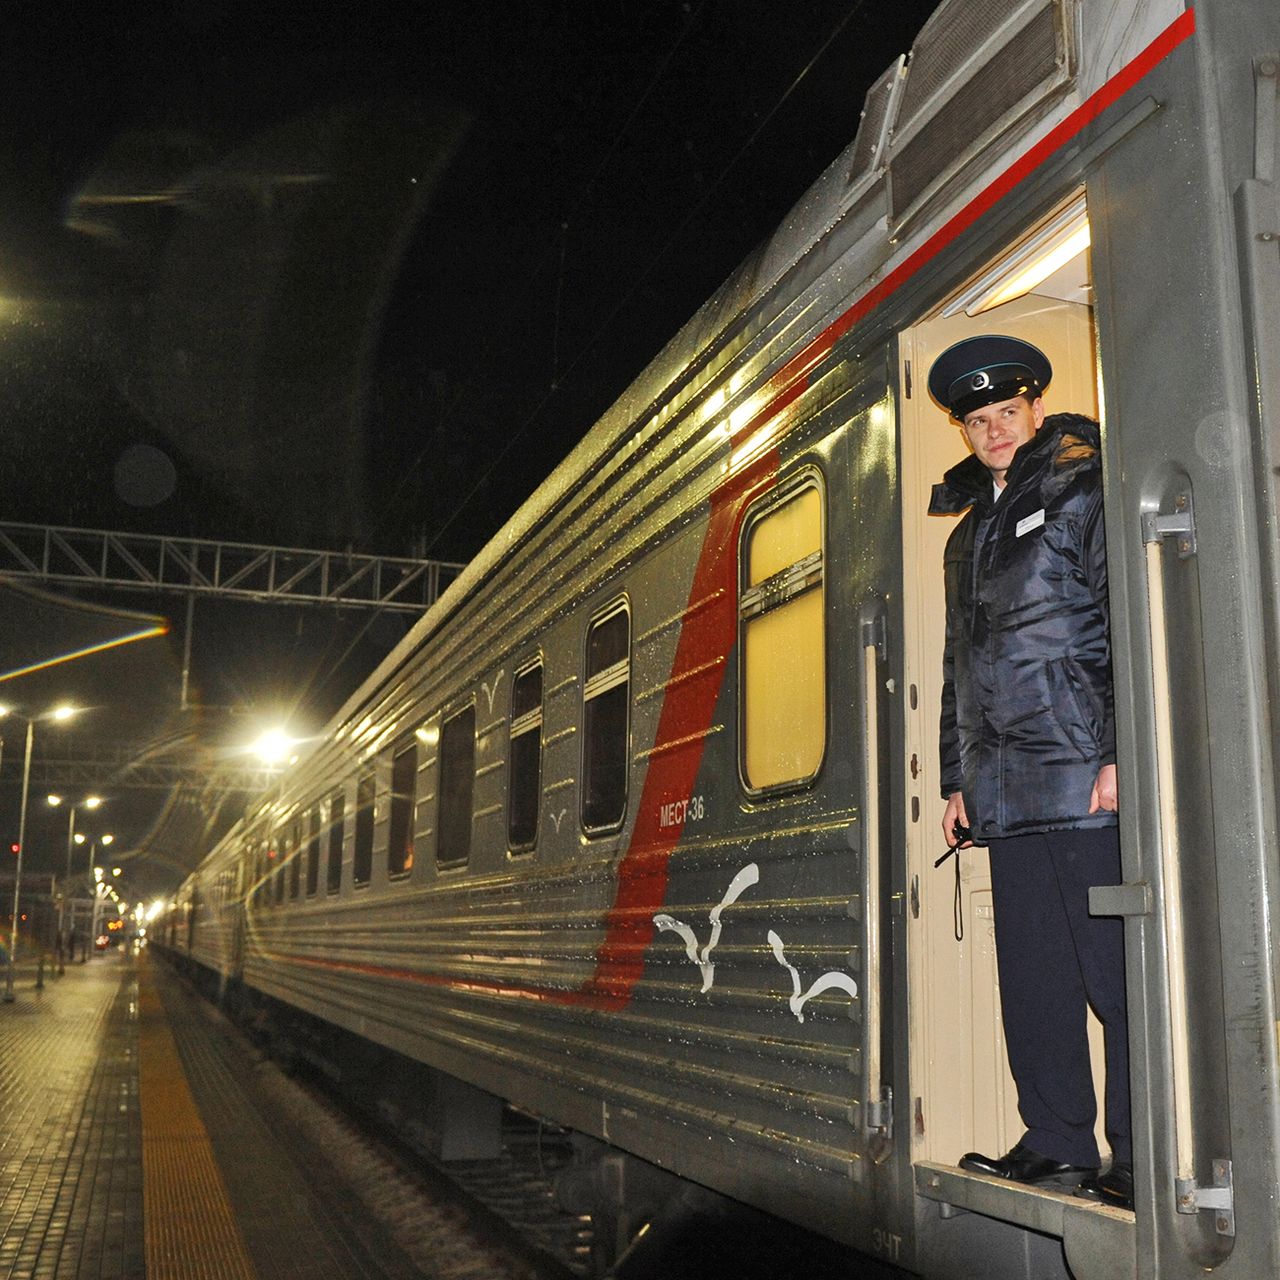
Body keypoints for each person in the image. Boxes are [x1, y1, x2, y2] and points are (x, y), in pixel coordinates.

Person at [927, 334, 1132, 1212]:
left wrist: (1126, 750)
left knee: (1118, 978)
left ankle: (1140, 1152)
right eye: (978, 421)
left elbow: (1128, 618)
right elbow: (958, 663)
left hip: (1086, 778)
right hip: (1004, 792)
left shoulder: (1083, 486)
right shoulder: (968, 533)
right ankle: (1057, 1146)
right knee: (1036, 983)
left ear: (1036, 409)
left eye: (1007, 413)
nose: (995, 431)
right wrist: (955, 779)